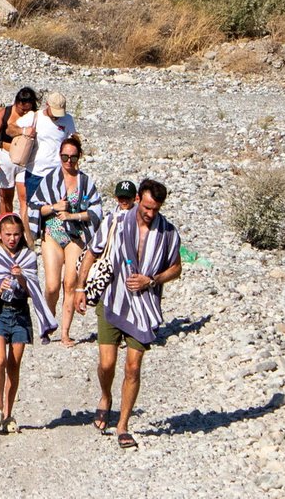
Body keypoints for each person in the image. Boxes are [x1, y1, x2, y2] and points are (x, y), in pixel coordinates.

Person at [86, 178, 183, 450]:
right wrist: (80, 289)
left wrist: (152, 280)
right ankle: (105, 397)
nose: (151, 213)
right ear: (139, 198)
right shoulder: (116, 222)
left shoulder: (168, 233)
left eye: (156, 209)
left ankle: (123, 425)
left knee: (133, 367)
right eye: (148, 207)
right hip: (113, 300)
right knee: (107, 364)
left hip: (144, 306)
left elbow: (176, 268)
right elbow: (92, 252)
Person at [0, 213, 55, 435]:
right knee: (0, 359)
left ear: (22, 235)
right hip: (0, 313)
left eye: (16, 234)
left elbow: (32, 289)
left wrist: (20, 278)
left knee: (14, 364)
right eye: (8, 234)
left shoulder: (28, 257)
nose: (12, 239)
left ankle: (9, 413)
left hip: (20, 313)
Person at [30, 134, 99, 347]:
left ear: (79, 157)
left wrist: (74, 216)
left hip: (75, 235)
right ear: (59, 156)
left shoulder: (86, 182)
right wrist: (54, 207)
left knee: (70, 282)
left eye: (73, 157)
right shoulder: (50, 179)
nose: (69, 162)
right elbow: (35, 207)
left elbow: (96, 211)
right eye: (65, 157)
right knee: (52, 285)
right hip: (52, 232)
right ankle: (47, 325)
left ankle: (66, 332)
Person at [0, 88, 40, 229]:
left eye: (27, 110)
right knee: (5, 197)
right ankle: (5, 229)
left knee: (24, 198)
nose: (24, 113)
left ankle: (25, 233)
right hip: (5, 157)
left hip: (26, 160)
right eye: (21, 109)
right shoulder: (4, 114)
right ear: (16, 103)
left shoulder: (35, 116)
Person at [26, 91, 77, 212]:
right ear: (47, 105)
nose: (56, 117)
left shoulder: (68, 119)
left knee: (56, 210)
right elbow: (13, 128)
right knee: (34, 210)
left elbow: (72, 143)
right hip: (35, 173)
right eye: (54, 113)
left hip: (58, 174)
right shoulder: (35, 117)